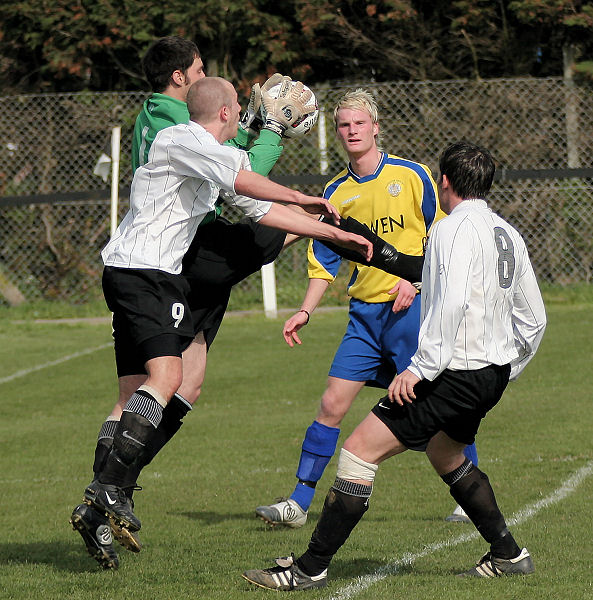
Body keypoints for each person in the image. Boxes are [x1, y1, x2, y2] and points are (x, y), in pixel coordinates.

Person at [70, 75, 374, 570]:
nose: (244, 113)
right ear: (228, 113)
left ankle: (98, 507)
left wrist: (326, 228)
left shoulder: (209, 156)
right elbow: (248, 182)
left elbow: (259, 207)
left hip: (132, 272)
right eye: (240, 107)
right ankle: (107, 490)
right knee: (169, 378)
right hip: (148, 274)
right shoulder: (183, 138)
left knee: (134, 393)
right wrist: (302, 196)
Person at [242, 140, 547, 590]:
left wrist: (420, 369)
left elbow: (452, 303)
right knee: (446, 453)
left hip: (454, 374)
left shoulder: (449, 230)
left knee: (359, 452)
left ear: (444, 181)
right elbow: (535, 318)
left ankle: (309, 569)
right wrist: (507, 366)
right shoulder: (507, 232)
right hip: (491, 374)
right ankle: (508, 554)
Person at [254, 88, 477, 529]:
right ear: (337, 132)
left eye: (359, 123)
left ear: (375, 127)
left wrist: (414, 280)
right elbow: (325, 260)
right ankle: (299, 503)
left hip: (411, 313)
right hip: (364, 320)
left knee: (439, 409)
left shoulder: (412, 176)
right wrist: (305, 310)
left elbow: (442, 240)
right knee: (332, 403)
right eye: (343, 124)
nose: (351, 130)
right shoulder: (335, 191)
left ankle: (468, 498)